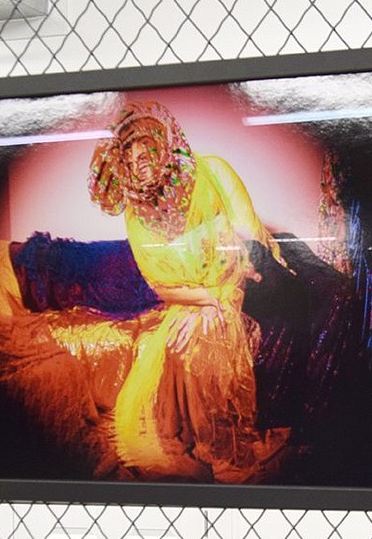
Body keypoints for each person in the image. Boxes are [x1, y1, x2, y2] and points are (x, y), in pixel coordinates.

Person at [87, 100, 290, 481]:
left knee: (210, 336)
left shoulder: (211, 171)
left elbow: (251, 250)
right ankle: (212, 449)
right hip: (198, 297)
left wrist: (222, 295)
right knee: (188, 340)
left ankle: (228, 452)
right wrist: (205, 300)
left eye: (146, 152)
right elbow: (160, 284)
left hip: (245, 279)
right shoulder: (136, 213)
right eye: (131, 159)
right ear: (123, 166)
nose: (140, 163)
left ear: (163, 147)